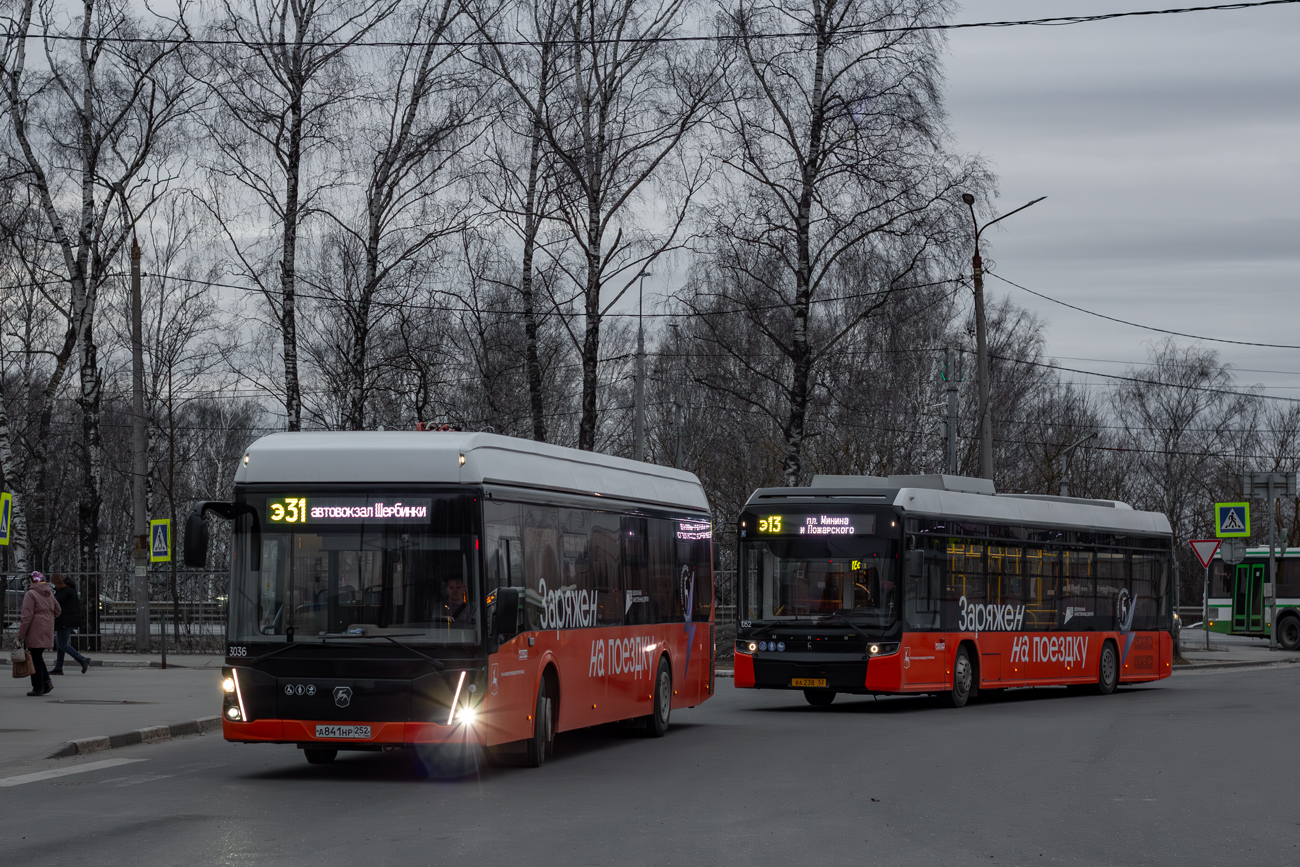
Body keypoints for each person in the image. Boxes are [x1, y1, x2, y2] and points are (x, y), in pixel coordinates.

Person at [17, 571, 61, 696]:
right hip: (47, 628)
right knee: (37, 657)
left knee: (34, 659)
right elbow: (58, 610)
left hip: (35, 630)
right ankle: (46, 682)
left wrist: (20, 635)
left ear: (32, 581)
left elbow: (26, 616)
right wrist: (48, 618)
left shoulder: (31, 594)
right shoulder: (49, 593)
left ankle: (38, 687)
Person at [51, 573, 90, 675]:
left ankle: (82, 659)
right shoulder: (69, 589)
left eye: (54, 583)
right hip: (67, 620)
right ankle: (58, 668)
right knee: (60, 644)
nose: (53, 585)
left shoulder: (64, 591)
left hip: (65, 620)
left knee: (62, 644)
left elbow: (55, 603)